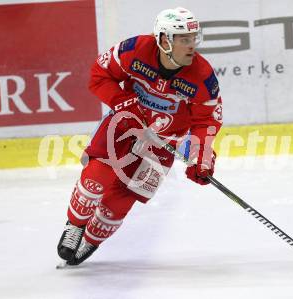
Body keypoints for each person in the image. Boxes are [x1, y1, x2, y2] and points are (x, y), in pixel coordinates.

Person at [56, 7, 223, 266]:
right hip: (124, 126)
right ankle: (75, 225)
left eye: (193, 38)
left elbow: (207, 120)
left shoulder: (202, 76)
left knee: (121, 201)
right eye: (184, 39)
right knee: (96, 177)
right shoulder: (134, 50)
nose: (192, 46)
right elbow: (100, 76)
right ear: (165, 40)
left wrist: (202, 159)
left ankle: (91, 239)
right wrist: (124, 102)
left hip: (163, 145)